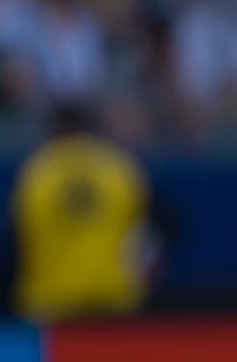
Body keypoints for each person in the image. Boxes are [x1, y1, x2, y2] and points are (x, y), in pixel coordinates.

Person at [10, 102, 157, 321]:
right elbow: (149, 234)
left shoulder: (38, 171)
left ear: (54, 129)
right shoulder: (119, 168)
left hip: (52, 300)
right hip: (112, 299)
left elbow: (18, 241)